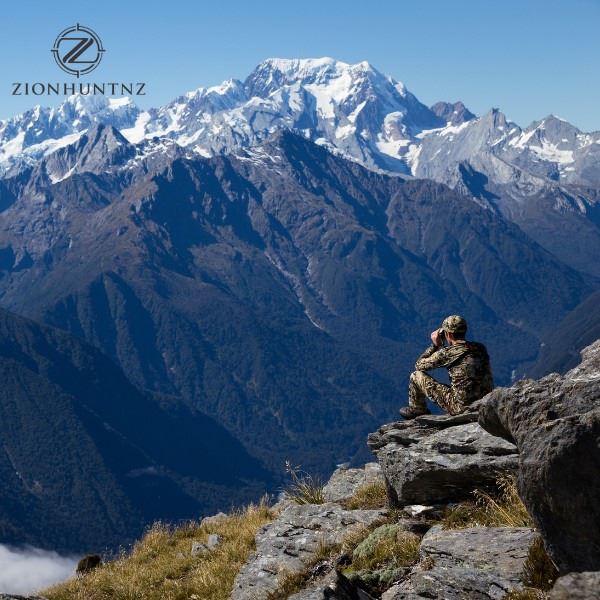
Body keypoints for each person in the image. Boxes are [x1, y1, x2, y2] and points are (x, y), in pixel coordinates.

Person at [399, 315, 494, 419]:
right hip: (484, 403)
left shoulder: (447, 353)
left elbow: (419, 365)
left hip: (461, 408)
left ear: (448, 334)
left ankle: (418, 410)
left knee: (416, 376)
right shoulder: (480, 348)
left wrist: (435, 346)